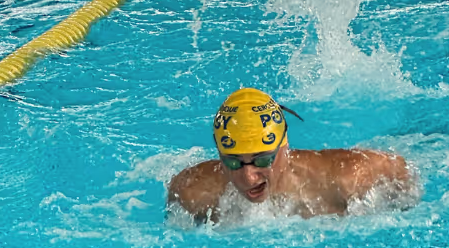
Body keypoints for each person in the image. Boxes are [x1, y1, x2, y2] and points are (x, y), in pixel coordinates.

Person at [168, 88, 414, 223]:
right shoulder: (193, 191)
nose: (249, 177)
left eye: (262, 160)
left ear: (284, 146)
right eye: (233, 162)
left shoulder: (344, 177)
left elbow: (399, 169)